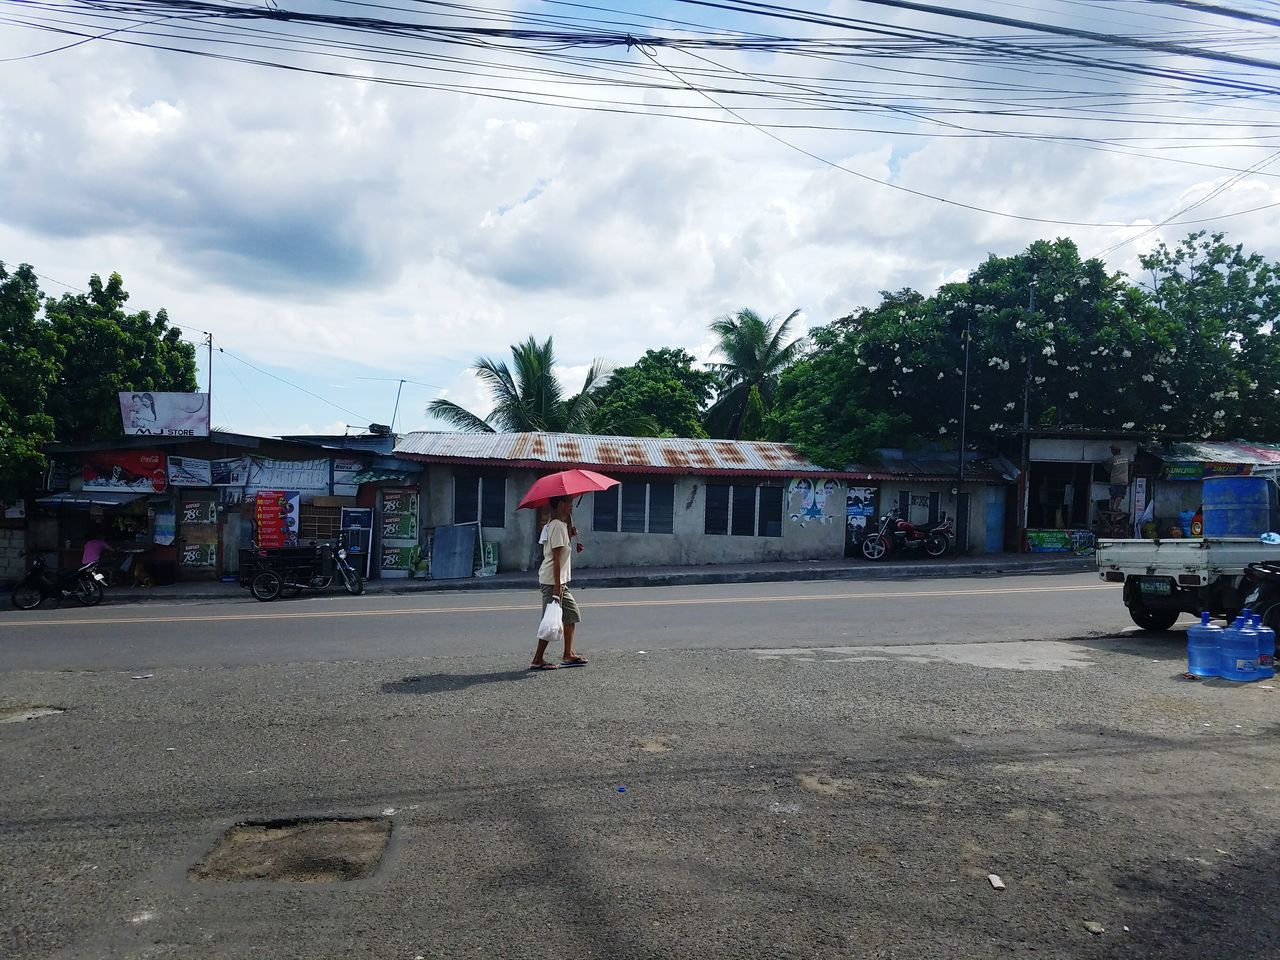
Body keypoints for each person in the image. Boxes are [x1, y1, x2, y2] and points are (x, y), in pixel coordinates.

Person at [531, 495, 587, 670]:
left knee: (570, 614)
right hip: (552, 581)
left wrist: (569, 532)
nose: (571, 506)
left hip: (559, 581)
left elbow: (562, 551)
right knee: (549, 620)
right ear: (561, 504)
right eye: (569, 503)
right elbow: (556, 559)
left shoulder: (558, 525)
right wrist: (557, 588)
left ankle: (568, 654)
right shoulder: (556, 526)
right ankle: (537, 659)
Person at [1105, 445, 1130, 512]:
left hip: (1114, 480)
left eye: (1112, 450)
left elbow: (1108, 469)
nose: (1111, 451)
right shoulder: (1126, 459)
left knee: (1113, 495)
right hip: (1124, 480)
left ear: (1114, 451)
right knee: (1120, 495)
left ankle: (1112, 508)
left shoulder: (1112, 459)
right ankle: (1116, 508)